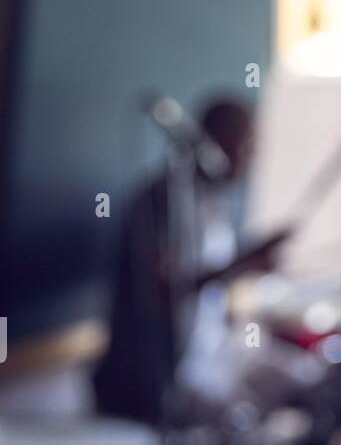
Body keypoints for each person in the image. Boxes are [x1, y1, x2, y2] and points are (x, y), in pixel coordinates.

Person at [93, 97, 287, 424]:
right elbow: (162, 290)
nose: (251, 155)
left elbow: (210, 276)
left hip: (215, 352)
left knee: (301, 379)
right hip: (166, 371)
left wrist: (249, 264)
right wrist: (240, 264)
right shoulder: (162, 199)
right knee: (240, 420)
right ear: (214, 140)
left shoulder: (214, 200)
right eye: (246, 141)